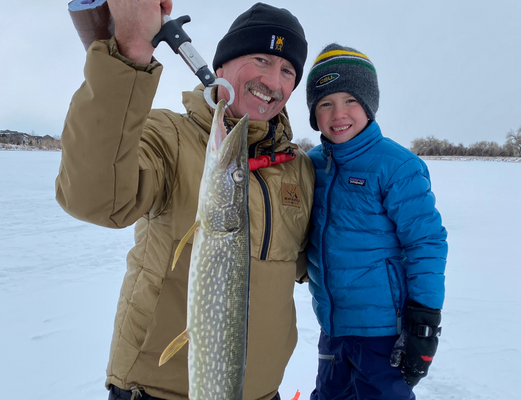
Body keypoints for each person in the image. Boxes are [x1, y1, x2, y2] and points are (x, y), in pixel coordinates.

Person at [55, 2, 315, 400]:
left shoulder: (299, 169)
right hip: (156, 391)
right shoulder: (169, 136)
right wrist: (130, 54)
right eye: (261, 59)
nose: (273, 81)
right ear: (223, 66)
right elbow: (94, 199)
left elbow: (314, 265)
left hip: (265, 393)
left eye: (287, 71)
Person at [305, 43, 448, 400]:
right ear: (314, 113)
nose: (339, 114)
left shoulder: (396, 165)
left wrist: (423, 320)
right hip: (333, 326)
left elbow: (426, 242)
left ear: (369, 105)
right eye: (325, 103)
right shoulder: (310, 165)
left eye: (350, 100)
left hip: (384, 331)